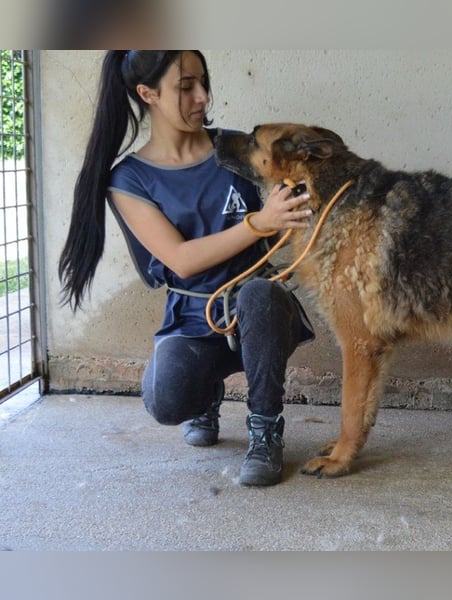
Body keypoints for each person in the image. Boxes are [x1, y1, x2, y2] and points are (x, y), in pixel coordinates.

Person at [57, 50, 315, 487]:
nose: (202, 97)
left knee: (260, 294)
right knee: (166, 401)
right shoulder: (129, 180)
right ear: (148, 94)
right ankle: (204, 396)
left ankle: (265, 429)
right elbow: (180, 259)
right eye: (185, 87)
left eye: (203, 82)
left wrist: (293, 212)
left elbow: (292, 215)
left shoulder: (238, 151)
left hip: (259, 308)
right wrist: (259, 223)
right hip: (194, 317)